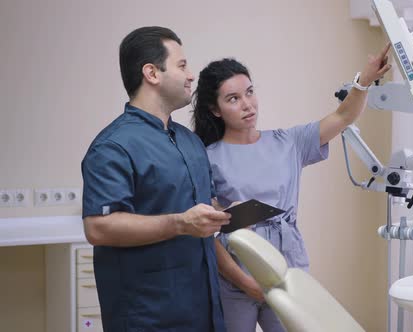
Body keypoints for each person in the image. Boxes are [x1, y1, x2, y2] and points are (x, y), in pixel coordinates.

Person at [191, 44, 391, 332]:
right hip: (235, 276)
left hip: (288, 269)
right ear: (215, 109)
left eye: (250, 92)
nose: (247, 104)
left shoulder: (289, 142)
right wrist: (246, 283)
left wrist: (364, 81)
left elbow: (343, 117)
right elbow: (210, 234)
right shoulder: (207, 157)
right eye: (233, 99)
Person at [81, 26, 230, 332]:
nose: (191, 76)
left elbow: (201, 205)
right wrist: (179, 223)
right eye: (182, 65)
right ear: (152, 73)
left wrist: (228, 214)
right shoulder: (114, 147)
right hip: (149, 316)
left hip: (205, 311)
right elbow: (99, 227)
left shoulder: (190, 142)